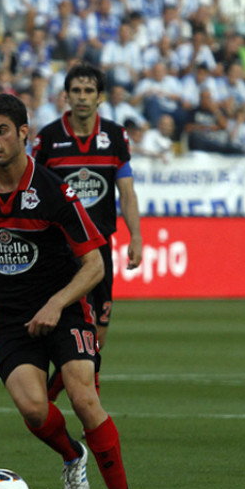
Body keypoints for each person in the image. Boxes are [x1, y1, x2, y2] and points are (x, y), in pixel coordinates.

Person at [0, 93, 140, 489]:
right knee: (33, 409)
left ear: (23, 134)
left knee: (85, 397)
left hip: (64, 310)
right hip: (9, 317)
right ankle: (72, 455)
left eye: (2, 132)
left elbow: (95, 264)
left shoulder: (54, 191)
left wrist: (57, 303)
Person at [32, 62, 143, 399]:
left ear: (100, 97)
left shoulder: (114, 137)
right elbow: (33, 192)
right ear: (66, 96)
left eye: (88, 91)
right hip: (58, 250)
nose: (81, 97)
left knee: (97, 337)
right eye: (75, 91)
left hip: (98, 250)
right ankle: (70, 403)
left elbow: (126, 190)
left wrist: (136, 236)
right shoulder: (48, 139)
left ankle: (56, 396)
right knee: (58, 328)